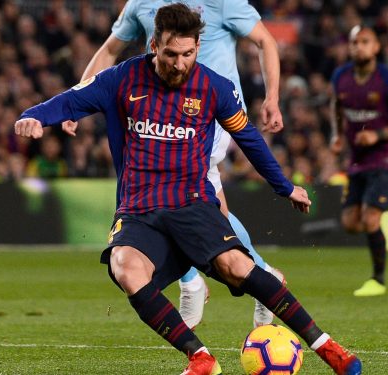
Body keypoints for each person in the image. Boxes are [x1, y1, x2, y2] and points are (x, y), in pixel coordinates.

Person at [16, 5, 361, 375]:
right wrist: (33, 116)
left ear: (198, 46)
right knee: (125, 268)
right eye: (170, 54)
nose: (179, 64)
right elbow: (69, 99)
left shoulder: (214, 87)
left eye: (187, 54)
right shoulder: (121, 80)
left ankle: (326, 347)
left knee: (237, 265)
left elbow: (249, 139)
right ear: (154, 45)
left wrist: (284, 186)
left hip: (192, 204)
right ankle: (201, 359)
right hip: (139, 209)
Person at [63, 0, 286, 329]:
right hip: (160, 114)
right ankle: (257, 274)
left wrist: (272, 97)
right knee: (200, 203)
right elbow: (110, 51)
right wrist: (77, 101)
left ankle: (199, 279)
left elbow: (265, 40)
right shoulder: (141, 4)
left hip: (210, 115)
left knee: (178, 192)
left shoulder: (223, 3)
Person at [329, 26, 388, 297]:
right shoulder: (340, 76)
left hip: (386, 155)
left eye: (365, 42)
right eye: (354, 42)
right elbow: (336, 107)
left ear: (376, 47)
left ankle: (378, 279)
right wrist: (337, 136)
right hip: (358, 157)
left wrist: (378, 135)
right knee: (350, 223)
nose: (359, 47)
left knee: (370, 219)